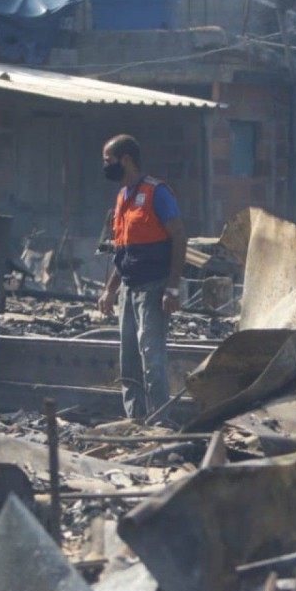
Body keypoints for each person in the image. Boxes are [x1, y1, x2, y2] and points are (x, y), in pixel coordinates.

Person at [96, 134, 187, 420]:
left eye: (108, 161)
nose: (105, 166)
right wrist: (110, 290)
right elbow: (122, 250)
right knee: (129, 360)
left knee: (152, 358)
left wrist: (172, 287)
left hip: (153, 288)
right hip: (128, 288)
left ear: (126, 160)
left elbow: (179, 238)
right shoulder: (122, 196)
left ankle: (159, 420)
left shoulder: (156, 192)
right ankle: (135, 420)